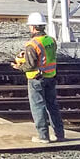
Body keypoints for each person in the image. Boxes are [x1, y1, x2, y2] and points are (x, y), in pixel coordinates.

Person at [11, 12, 64, 143]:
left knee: (38, 107)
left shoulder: (32, 44)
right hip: (51, 76)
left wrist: (19, 67)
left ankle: (43, 136)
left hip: (37, 79)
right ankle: (59, 134)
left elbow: (30, 65)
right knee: (52, 106)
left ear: (33, 27)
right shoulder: (51, 40)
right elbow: (47, 57)